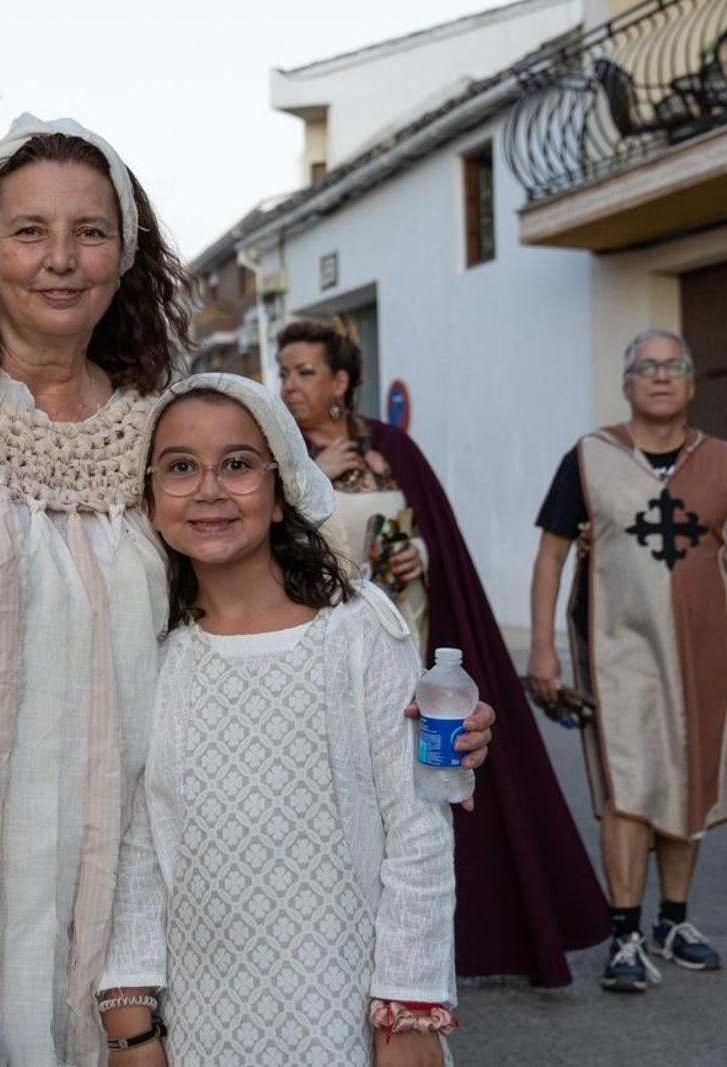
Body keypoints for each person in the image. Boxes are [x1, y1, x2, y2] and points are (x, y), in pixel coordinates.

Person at [0, 114, 493, 1067]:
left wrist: (411, 709)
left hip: (96, 880)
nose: (60, 260)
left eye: (91, 232)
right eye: (29, 231)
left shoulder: (153, 430)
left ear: (126, 255)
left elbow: (250, 608)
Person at [98, 374, 456, 1067]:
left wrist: (409, 1008)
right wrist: (130, 1016)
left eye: (236, 464)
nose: (208, 489)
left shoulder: (359, 633)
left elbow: (417, 829)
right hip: (203, 1018)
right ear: (149, 494)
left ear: (281, 480)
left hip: (347, 1011)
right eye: (179, 466)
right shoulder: (150, 653)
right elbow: (136, 847)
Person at [277, 318, 609, 987]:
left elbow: (440, 546)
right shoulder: (276, 454)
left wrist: (415, 554)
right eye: (282, 373)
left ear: (341, 381)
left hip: (409, 640)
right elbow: (269, 546)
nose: (288, 386)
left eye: (303, 372)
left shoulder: (395, 448)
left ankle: (430, 941)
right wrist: (309, 477)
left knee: (420, 792)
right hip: (319, 650)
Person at [530, 328, 727, 992]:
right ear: (626, 384)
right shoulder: (589, 457)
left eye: (673, 365)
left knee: (690, 779)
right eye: (644, 367)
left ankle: (673, 921)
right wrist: (542, 647)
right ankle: (624, 930)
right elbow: (552, 554)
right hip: (614, 650)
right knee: (626, 786)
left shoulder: (724, 461)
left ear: (691, 381)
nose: (659, 375)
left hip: (702, 652)